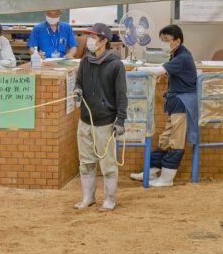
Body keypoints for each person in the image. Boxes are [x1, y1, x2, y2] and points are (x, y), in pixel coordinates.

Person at [132, 24, 197, 187]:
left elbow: (157, 71)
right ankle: (152, 171)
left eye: (166, 40)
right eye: (162, 40)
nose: (163, 44)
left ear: (177, 41)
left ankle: (167, 178)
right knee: (164, 139)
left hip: (183, 104)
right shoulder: (175, 55)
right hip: (176, 103)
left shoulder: (182, 57)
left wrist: (139, 68)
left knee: (176, 141)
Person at [72, 23, 127, 211]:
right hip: (85, 119)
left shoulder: (115, 64)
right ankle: (88, 197)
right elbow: (78, 82)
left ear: (104, 41)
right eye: (90, 37)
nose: (90, 41)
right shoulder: (85, 62)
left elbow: (121, 95)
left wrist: (120, 120)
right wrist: (77, 91)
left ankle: (109, 199)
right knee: (85, 161)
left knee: (108, 163)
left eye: (94, 37)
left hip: (105, 121)